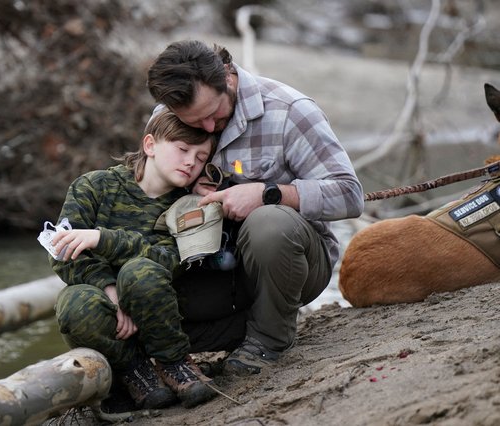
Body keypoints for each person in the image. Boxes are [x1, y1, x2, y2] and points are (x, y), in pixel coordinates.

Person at [147, 40, 365, 376]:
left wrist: (268, 194)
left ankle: (267, 339)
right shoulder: (166, 116)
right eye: (193, 121)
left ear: (226, 76)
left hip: (292, 260)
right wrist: (186, 184)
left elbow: (350, 195)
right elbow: (145, 190)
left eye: (212, 114)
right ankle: (217, 335)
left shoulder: (291, 111)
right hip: (211, 263)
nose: (207, 128)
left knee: (268, 224)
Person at [48, 108, 219, 409]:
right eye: (182, 149)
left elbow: (168, 259)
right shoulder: (93, 187)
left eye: (201, 157)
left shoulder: (188, 206)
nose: (191, 161)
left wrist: (102, 238)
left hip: (164, 312)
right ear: (150, 145)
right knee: (74, 304)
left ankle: (173, 363)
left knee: (140, 272)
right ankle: (134, 371)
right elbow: (62, 253)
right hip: (109, 311)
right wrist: (110, 290)